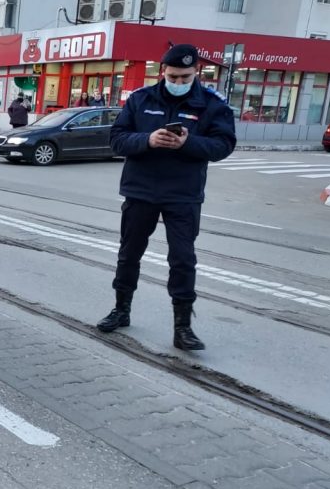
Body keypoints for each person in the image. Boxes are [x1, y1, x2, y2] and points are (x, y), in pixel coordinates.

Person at [96, 43, 236, 351]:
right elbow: (116, 139)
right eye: (173, 76)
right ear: (163, 71)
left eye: (185, 77)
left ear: (196, 72)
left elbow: (223, 145)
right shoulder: (140, 99)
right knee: (129, 254)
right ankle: (121, 309)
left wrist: (187, 143)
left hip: (183, 195)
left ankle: (182, 328)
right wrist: (147, 139)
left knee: (183, 259)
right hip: (141, 190)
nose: (178, 82)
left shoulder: (211, 104)